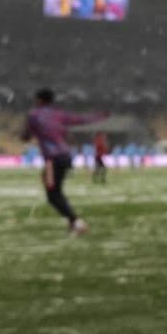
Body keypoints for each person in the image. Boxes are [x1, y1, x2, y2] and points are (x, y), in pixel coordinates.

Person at [21, 88, 105, 234]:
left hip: (52, 159)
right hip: (65, 155)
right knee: (55, 191)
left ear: (39, 100)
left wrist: (29, 135)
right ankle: (73, 222)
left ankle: (76, 222)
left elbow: (26, 136)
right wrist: (99, 116)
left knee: (53, 195)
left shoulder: (34, 115)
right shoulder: (58, 114)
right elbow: (80, 120)